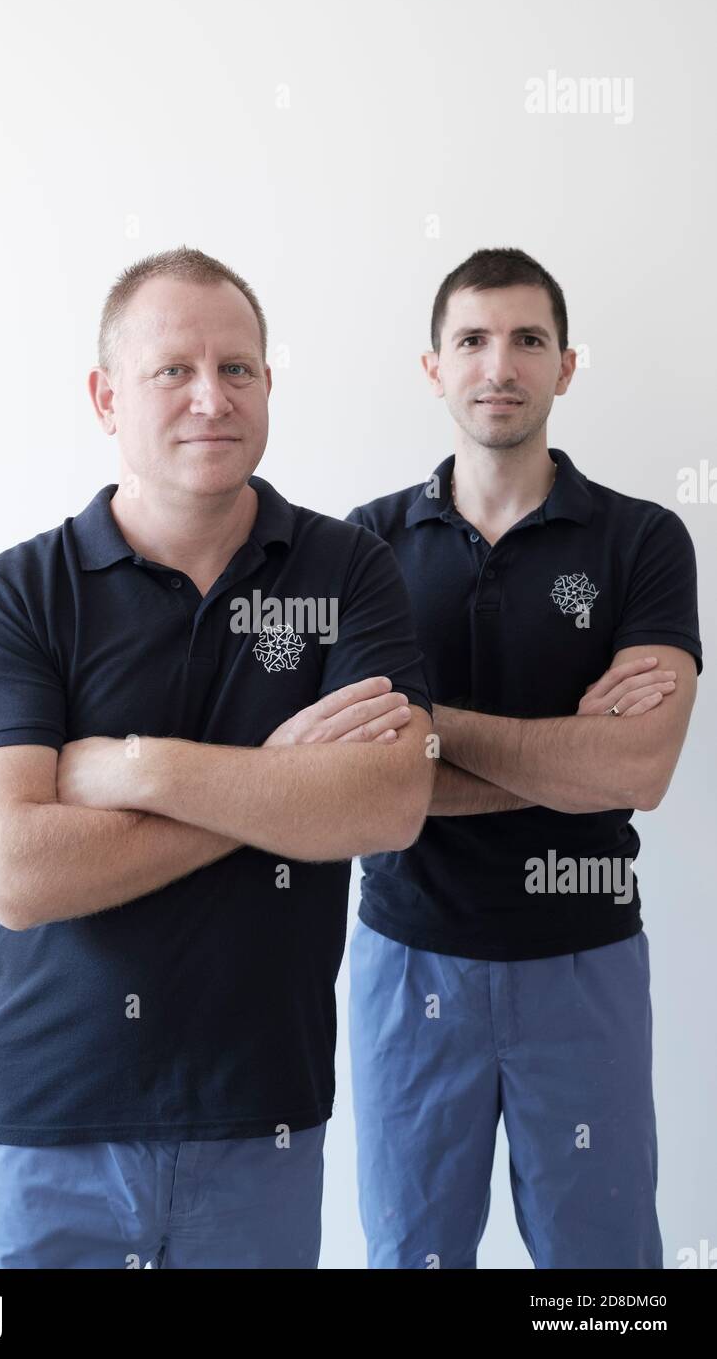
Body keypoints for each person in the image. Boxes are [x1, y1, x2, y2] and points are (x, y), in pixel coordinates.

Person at [0, 246, 434, 1269]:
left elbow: (385, 803)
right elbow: (16, 872)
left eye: (239, 369)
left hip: (260, 1119)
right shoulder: (16, 595)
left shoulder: (348, 567)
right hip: (44, 1128)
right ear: (103, 396)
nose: (211, 397)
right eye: (173, 369)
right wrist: (276, 784)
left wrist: (134, 768)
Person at [346, 247, 702, 1269]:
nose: (497, 364)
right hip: (407, 963)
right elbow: (362, 786)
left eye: (525, 340)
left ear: (564, 365)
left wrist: (430, 727)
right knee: (411, 1254)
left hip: (580, 959)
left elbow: (635, 772)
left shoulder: (641, 541)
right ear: (432, 367)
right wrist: (564, 754)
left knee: (603, 1275)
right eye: (470, 340)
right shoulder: (362, 547)